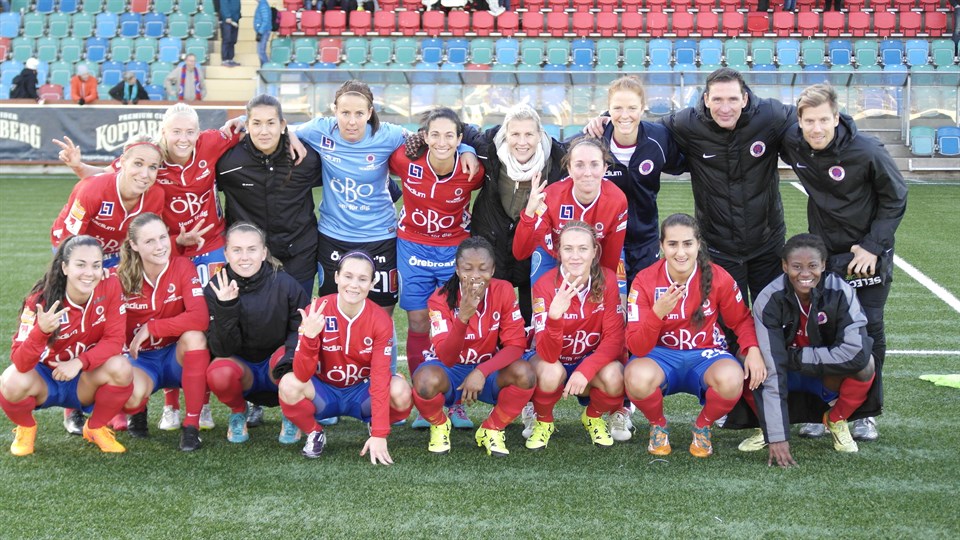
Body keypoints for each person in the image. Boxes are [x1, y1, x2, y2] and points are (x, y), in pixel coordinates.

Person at [778, 83, 907, 442]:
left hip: (867, 257)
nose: (816, 128)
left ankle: (866, 415)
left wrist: (871, 246)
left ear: (837, 117)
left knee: (869, 331)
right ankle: (822, 411)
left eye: (823, 120)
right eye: (809, 121)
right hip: (823, 259)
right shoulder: (794, 143)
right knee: (821, 331)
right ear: (799, 122)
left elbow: (896, 197)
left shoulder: (867, 150)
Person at [624, 213, 766, 458]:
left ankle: (703, 426)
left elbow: (741, 319)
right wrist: (657, 314)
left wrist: (752, 349)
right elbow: (636, 346)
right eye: (672, 244)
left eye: (687, 244)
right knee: (636, 377)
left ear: (698, 244)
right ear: (661, 246)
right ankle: (658, 425)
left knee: (732, 379)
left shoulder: (718, 276)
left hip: (706, 354)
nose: (681, 252)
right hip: (661, 356)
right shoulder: (644, 280)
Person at [738, 234, 877, 467]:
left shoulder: (841, 291)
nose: (804, 274)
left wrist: (792, 356)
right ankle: (766, 426)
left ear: (823, 265)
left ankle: (835, 419)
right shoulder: (769, 298)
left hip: (823, 373)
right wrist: (777, 436)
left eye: (812, 266)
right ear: (784, 266)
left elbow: (855, 352)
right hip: (786, 372)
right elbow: (772, 365)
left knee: (866, 365)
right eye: (796, 266)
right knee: (745, 361)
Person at [388, 107, 485, 428]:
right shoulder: (404, 160)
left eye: (449, 136)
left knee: (456, 322)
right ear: (425, 137)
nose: (442, 142)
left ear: (459, 138)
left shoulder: (472, 170)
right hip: (412, 247)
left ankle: (454, 404)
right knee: (418, 321)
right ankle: (424, 402)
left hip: (454, 250)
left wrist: (469, 150)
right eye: (435, 135)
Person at [0, 236, 133, 456]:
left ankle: (95, 427)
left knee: (122, 368)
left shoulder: (110, 286)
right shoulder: (39, 301)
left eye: (96, 265)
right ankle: (26, 428)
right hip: (44, 379)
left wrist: (79, 362)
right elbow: (20, 362)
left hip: (84, 378)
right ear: (64, 267)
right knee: (10, 381)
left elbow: (115, 340)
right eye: (80, 265)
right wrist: (40, 331)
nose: (89, 273)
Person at [277, 252, 414, 462]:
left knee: (401, 391)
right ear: (336, 277)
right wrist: (309, 338)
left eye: (363, 279)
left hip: (361, 393)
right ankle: (315, 432)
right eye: (348, 276)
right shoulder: (316, 311)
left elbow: (379, 377)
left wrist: (380, 433)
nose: (354, 285)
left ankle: (373, 424)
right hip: (324, 392)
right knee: (288, 384)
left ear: (372, 283)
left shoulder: (381, 320)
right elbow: (302, 374)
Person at [411, 237, 534, 456]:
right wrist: (463, 318)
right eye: (468, 268)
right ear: (457, 269)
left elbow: (516, 345)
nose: (476, 275)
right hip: (449, 370)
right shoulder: (440, 299)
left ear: (493, 269)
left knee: (525, 374)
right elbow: (447, 357)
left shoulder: (503, 290)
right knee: (424, 381)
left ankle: (492, 429)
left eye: (483, 269)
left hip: (487, 369)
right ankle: (439, 425)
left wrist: (481, 371)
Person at [461, 104, 568, 326]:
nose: (522, 142)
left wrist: (604, 119)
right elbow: (457, 128)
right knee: (491, 318)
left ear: (540, 134)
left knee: (533, 319)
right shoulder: (490, 147)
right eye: (515, 134)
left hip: (533, 245)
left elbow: (591, 145)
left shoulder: (558, 158)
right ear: (505, 134)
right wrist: (465, 149)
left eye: (529, 134)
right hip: (492, 240)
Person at [204, 222, 310, 443]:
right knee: (218, 372)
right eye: (237, 250)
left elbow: (301, 331)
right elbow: (221, 350)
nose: (245, 257)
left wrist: (287, 364)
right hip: (243, 370)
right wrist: (226, 307)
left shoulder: (285, 284)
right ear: (226, 254)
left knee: (297, 357)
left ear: (263, 253)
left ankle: (291, 411)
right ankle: (238, 411)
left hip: (276, 367)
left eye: (251, 249)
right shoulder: (215, 288)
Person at [524, 221, 626, 450]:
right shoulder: (544, 285)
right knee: (551, 371)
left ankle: (593, 417)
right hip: (552, 362)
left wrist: (584, 370)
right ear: (559, 252)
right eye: (568, 249)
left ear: (594, 251)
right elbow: (546, 353)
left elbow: (614, 340)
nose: (575, 256)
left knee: (616, 376)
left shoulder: (609, 279)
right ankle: (544, 421)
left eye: (583, 248)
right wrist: (555, 318)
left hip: (588, 361)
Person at [116, 213, 211, 452]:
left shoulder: (182, 266)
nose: (160, 246)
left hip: (174, 356)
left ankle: (191, 427)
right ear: (134, 245)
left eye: (162, 237)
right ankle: (137, 410)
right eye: (149, 241)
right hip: (141, 360)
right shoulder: (121, 278)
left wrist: (152, 327)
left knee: (195, 337)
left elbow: (200, 318)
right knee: (129, 398)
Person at [216, 94, 323, 297]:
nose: (264, 131)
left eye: (271, 123)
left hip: (299, 255)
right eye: (256, 123)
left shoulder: (305, 158)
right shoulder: (228, 163)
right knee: (252, 315)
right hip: (249, 257)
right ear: (247, 125)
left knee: (298, 314)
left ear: (282, 125)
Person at [599, 76, 686, 286]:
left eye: (632, 108)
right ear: (608, 109)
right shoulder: (594, 140)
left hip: (645, 240)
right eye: (617, 108)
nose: (625, 115)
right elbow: (560, 154)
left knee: (645, 297)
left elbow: (686, 161)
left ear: (642, 108)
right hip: (604, 240)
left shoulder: (659, 139)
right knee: (610, 300)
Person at [513, 136, 628, 291]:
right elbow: (520, 253)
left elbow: (610, 257)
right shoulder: (551, 196)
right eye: (579, 165)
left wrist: (599, 286)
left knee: (615, 297)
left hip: (595, 254)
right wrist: (529, 214)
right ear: (569, 169)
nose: (587, 173)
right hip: (553, 255)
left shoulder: (617, 200)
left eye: (594, 164)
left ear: (604, 169)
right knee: (545, 302)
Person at [50, 136, 165, 269]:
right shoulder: (92, 190)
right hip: (72, 242)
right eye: (138, 164)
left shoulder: (156, 196)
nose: (145, 174)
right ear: (122, 162)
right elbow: (69, 241)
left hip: (114, 251)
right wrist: (90, 265)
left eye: (153, 167)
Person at [219, 0, 241, 67]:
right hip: (227, 21)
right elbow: (224, 5)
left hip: (235, 19)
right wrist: (227, 16)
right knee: (227, 39)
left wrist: (238, 16)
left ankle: (231, 59)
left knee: (233, 40)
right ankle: (225, 59)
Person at [253, 0, 272, 66]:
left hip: (263, 31)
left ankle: (267, 68)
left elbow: (265, 20)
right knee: (260, 52)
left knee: (261, 52)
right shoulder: (262, 4)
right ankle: (263, 67)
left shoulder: (263, 5)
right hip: (262, 31)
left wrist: (260, 32)